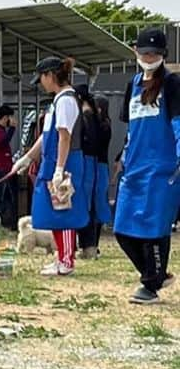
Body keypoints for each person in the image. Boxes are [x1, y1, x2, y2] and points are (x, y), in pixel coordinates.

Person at [111, 25, 180, 304]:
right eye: (145, 52)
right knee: (122, 230)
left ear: (163, 54)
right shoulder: (133, 84)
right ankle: (156, 274)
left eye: (155, 53)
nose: (149, 56)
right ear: (135, 52)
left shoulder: (173, 83)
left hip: (162, 168)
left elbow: (178, 123)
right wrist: (122, 158)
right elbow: (131, 129)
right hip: (135, 167)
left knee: (154, 229)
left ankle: (150, 285)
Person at [11, 56, 88, 276]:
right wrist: (28, 158)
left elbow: (64, 136)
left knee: (62, 211)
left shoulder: (66, 100)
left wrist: (59, 169)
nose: (41, 83)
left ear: (50, 75)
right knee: (50, 212)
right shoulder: (57, 101)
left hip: (64, 162)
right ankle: (60, 258)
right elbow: (47, 136)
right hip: (52, 160)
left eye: (42, 78)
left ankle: (66, 260)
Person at [75, 87, 106, 259]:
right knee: (89, 206)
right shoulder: (93, 115)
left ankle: (87, 246)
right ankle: (89, 245)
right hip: (91, 163)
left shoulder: (85, 116)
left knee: (84, 206)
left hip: (86, 163)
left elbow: (88, 142)